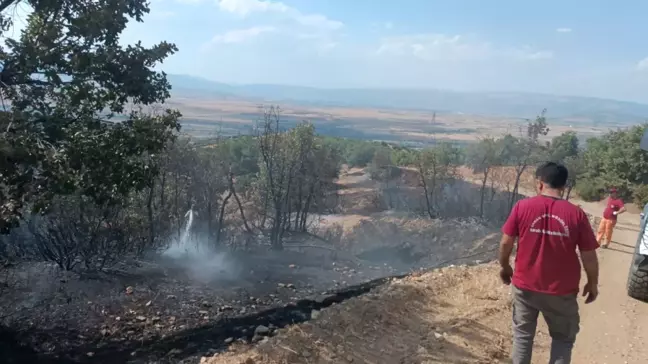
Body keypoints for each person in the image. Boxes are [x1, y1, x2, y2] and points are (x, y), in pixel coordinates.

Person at [499, 161, 600, 364]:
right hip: (561, 291)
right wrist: (592, 282)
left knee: (523, 337)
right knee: (562, 340)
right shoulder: (576, 214)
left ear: (539, 183)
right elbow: (589, 254)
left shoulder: (522, 207)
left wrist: (505, 266)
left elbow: (505, 243)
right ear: (563, 186)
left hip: (525, 286)